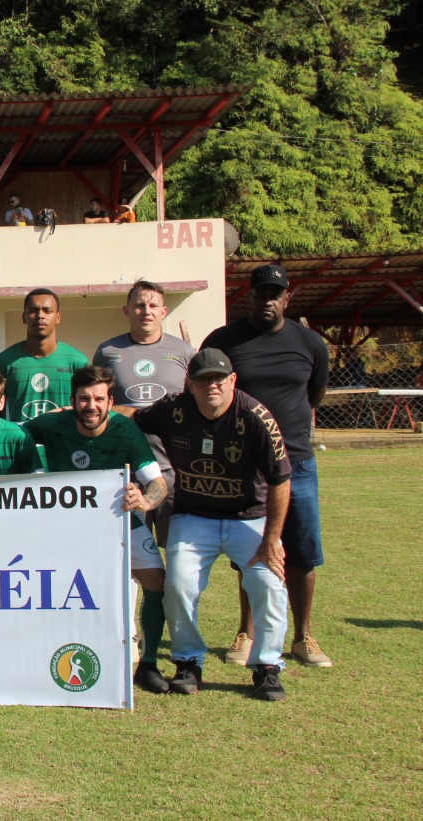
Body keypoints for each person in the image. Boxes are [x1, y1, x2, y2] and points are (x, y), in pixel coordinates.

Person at [133, 349, 292, 701]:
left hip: (249, 516)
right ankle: (188, 661)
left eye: (219, 379)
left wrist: (272, 540)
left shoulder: (255, 417)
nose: (211, 386)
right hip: (194, 516)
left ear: (232, 380)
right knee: (178, 584)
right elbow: (132, 417)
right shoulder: (173, 409)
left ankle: (266, 666)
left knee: (268, 582)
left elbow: (281, 480)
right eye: (203, 379)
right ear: (190, 384)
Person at [201, 264, 332, 668]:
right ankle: (246, 632)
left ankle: (303, 636)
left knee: (302, 550)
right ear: (250, 296)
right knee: (249, 551)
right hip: (244, 466)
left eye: (276, 294)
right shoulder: (224, 341)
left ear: (287, 299)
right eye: (261, 294)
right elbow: (210, 391)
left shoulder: (311, 344)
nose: (268, 301)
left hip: (297, 463)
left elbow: (315, 395)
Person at [26, 366, 172, 694]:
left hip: (121, 521)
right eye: (84, 398)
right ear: (72, 401)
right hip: (68, 528)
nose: (91, 405)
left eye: (98, 398)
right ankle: (45, 650)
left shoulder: (126, 431)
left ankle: (147, 663)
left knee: (156, 579)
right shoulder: (51, 424)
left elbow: (158, 484)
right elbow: (9, 434)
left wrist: (145, 502)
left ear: (110, 401)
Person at [94, 280, 195, 543]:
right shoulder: (107, 352)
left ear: (164, 311)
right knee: (127, 551)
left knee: (176, 551)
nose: (146, 311)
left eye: (153, 305)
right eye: (139, 305)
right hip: (124, 470)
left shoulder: (183, 352)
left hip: (172, 468)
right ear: (126, 310)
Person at [0, 288, 90, 422]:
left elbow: (88, 408)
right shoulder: (3, 362)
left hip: (61, 442)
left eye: (47, 310)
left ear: (58, 317)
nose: (40, 315)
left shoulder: (77, 362)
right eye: (33, 310)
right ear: (24, 317)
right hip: (20, 442)